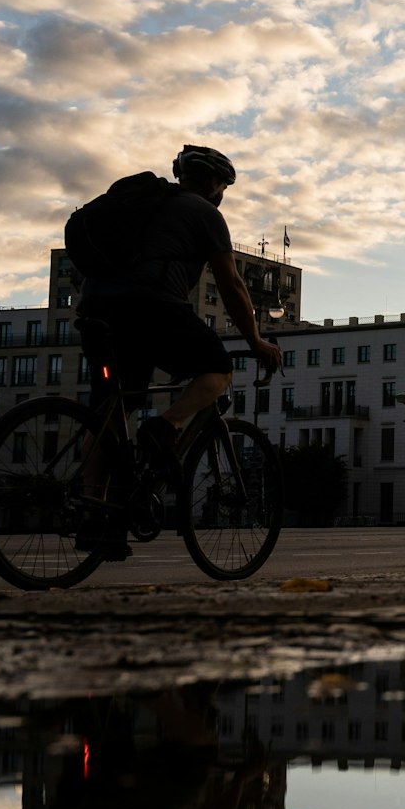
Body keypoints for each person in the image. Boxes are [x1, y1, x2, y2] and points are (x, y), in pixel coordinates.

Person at [76, 145, 282, 553]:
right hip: (151, 307)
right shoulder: (205, 213)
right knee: (218, 368)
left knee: (112, 412)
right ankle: (166, 426)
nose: (222, 193)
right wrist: (256, 341)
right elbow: (232, 285)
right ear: (213, 183)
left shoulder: (143, 205)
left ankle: (96, 518)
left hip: (95, 311)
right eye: (223, 185)